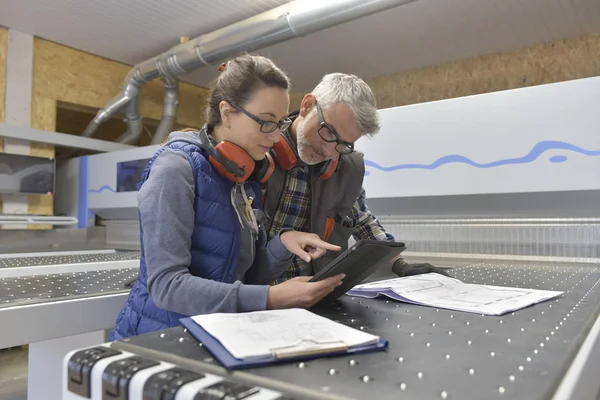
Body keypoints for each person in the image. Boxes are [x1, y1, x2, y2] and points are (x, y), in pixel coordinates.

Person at [109, 54, 345, 341]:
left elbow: (244, 277)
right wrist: (269, 298)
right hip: (160, 339)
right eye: (266, 122)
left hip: (216, 335)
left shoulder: (243, 178)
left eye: (280, 124)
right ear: (227, 112)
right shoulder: (176, 169)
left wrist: (282, 245)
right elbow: (167, 286)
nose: (275, 138)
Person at [262, 73, 448, 284]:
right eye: (328, 132)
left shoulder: (345, 167)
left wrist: (399, 264)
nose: (329, 150)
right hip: (261, 297)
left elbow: (361, 219)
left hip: (317, 293)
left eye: (343, 144)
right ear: (307, 106)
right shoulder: (258, 151)